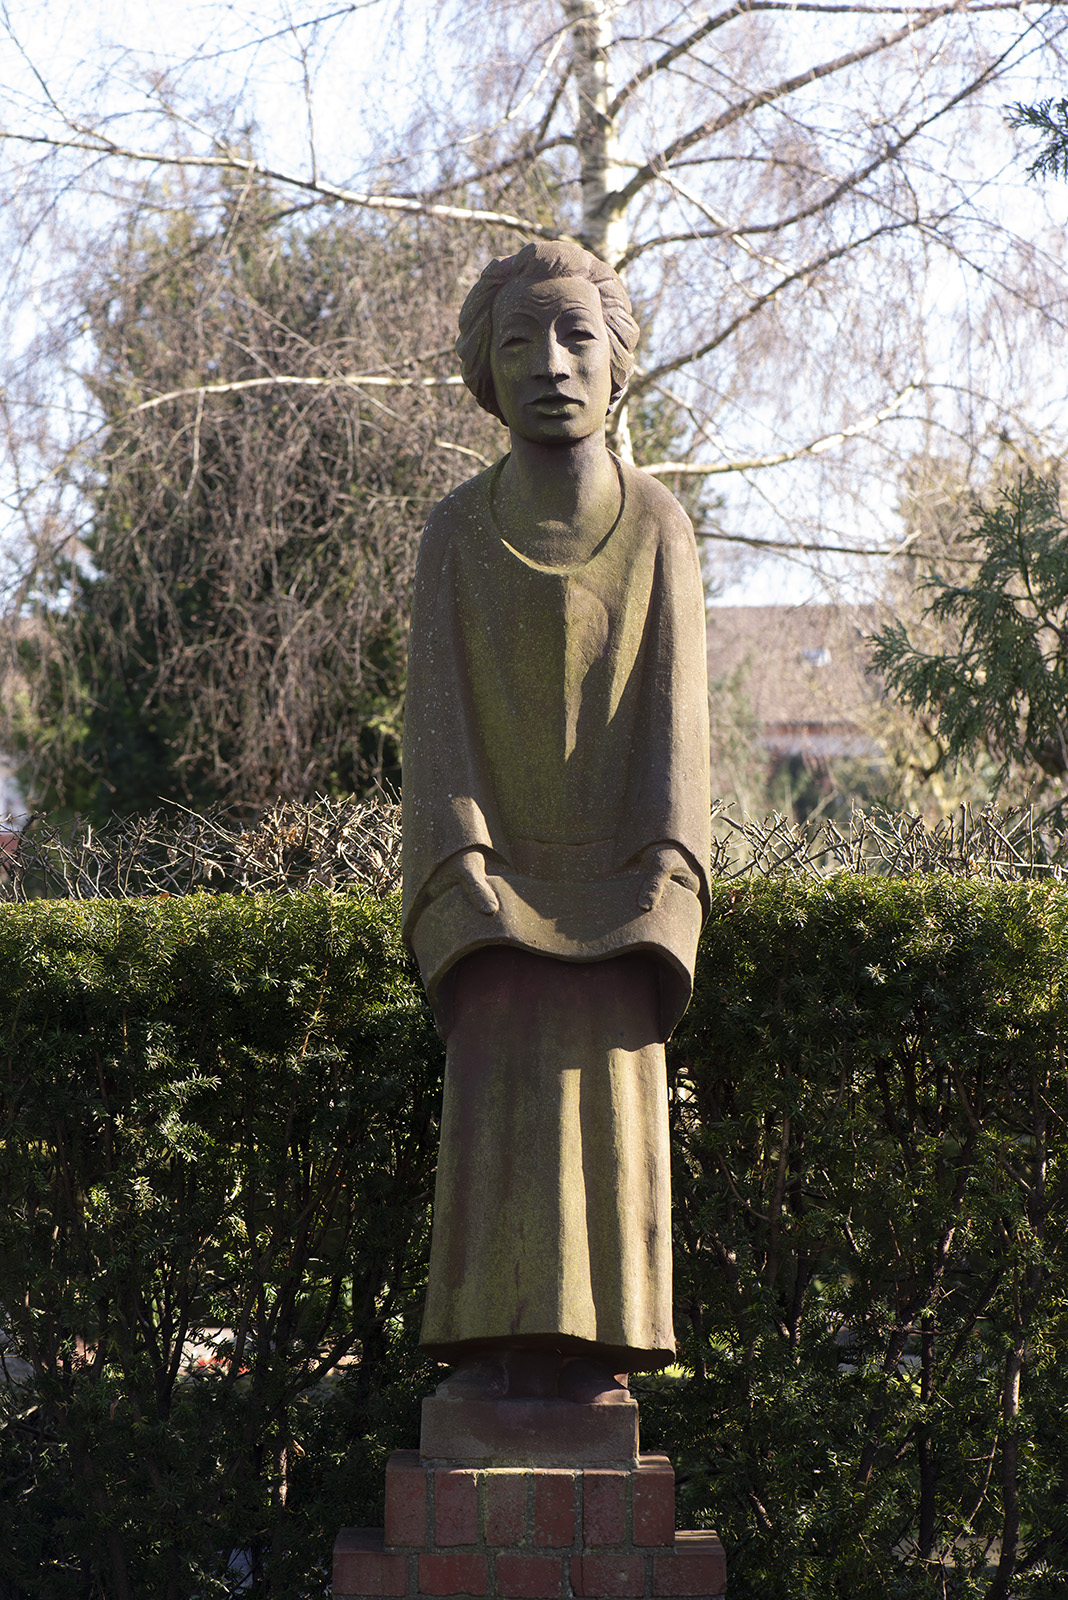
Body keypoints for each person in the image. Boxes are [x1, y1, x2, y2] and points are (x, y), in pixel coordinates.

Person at [401, 240, 711, 1405]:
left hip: (620, 903)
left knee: (609, 1156)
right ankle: (490, 1359)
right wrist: (462, 876)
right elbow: (435, 733)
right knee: (501, 1155)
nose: (550, 364)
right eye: (520, 340)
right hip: (494, 901)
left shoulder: (661, 528)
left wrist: (668, 880)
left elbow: (681, 735)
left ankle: (596, 1368)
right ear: (483, 367)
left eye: (577, 335)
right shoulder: (453, 536)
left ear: (618, 361)